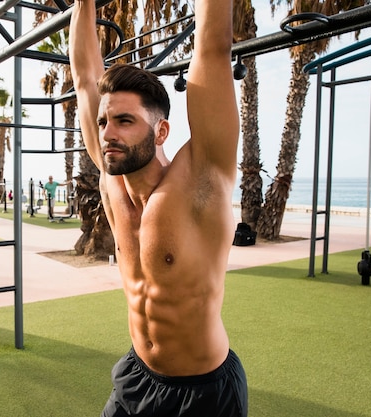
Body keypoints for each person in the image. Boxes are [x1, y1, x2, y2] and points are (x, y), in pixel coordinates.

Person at [69, 0, 247, 416]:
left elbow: (212, 50)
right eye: (104, 122)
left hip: (204, 394)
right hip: (137, 376)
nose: (108, 134)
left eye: (125, 121)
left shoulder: (202, 178)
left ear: (161, 130)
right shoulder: (111, 175)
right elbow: (83, 77)